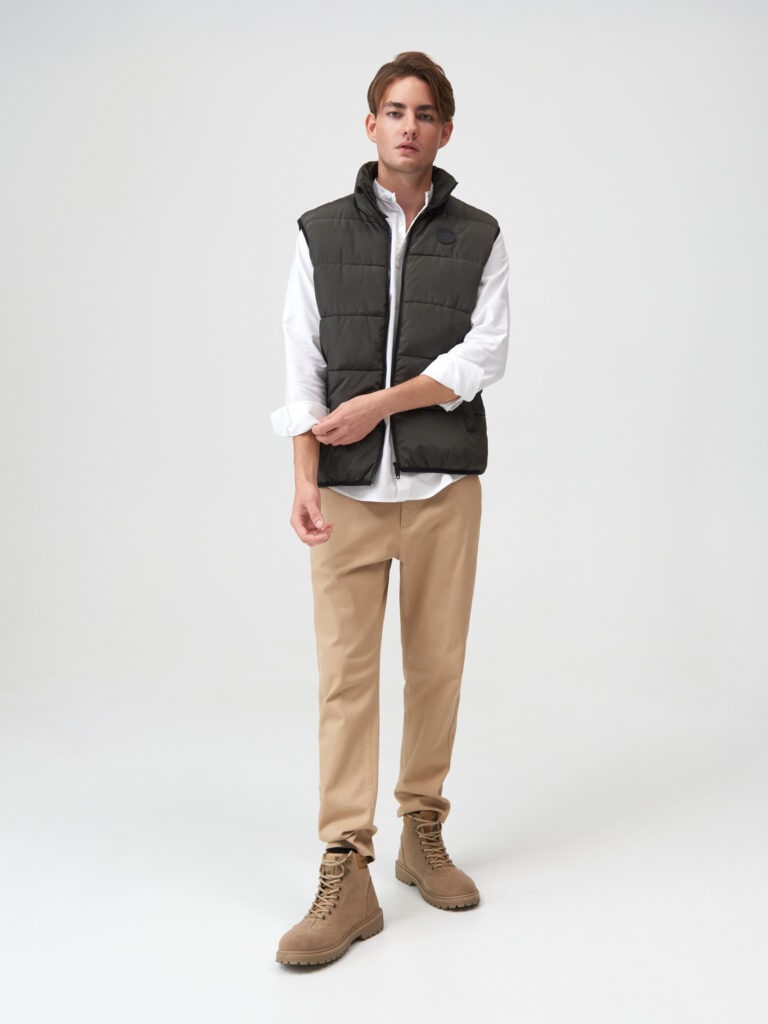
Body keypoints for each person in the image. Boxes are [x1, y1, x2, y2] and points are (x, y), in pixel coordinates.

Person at [271, 51, 509, 966]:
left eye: (425, 113)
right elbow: (302, 365)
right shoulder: (319, 232)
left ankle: (421, 831)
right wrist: (304, 475)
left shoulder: (480, 236)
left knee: (437, 669)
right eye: (394, 111)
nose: (409, 126)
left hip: (443, 490)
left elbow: (480, 360)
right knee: (346, 679)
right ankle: (347, 864)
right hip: (345, 494)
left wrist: (378, 405)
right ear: (370, 124)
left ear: (445, 130)